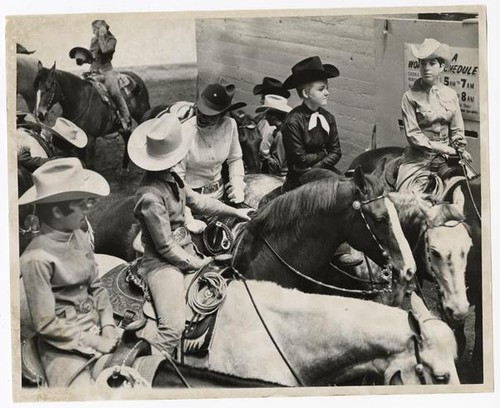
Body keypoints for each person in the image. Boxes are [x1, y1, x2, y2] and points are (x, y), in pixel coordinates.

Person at [128, 113, 253, 357]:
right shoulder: (149, 196)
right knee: (172, 327)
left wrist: (236, 212)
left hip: (186, 249)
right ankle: (147, 370)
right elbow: (165, 247)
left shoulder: (172, 177)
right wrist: (199, 262)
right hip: (162, 266)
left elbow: (199, 202)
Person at [19, 158, 119, 387]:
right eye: (80, 204)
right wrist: (94, 341)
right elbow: (46, 325)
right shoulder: (36, 258)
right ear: (56, 210)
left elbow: (97, 286)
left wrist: (109, 325)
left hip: (98, 329)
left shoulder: (79, 236)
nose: (87, 210)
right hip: (62, 346)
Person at [281, 56, 362, 268]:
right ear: (306, 93)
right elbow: (298, 158)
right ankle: (338, 250)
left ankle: (356, 240)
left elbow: (337, 152)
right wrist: (322, 157)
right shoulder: (292, 121)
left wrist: (317, 162)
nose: (327, 92)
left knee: (352, 189)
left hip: (321, 169)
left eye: (326, 88)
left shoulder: (329, 117)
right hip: (300, 175)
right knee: (330, 196)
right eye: (321, 88)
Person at [396, 38, 473, 194]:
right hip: (419, 158)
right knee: (409, 198)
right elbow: (414, 136)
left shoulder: (451, 95)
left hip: (448, 156)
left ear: (441, 67)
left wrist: (459, 148)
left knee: (474, 188)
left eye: (432, 64)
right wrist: (444, 148)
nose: (426, 68)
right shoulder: (409, 97)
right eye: (422, 63)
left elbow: (457, 129)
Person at [174, 79, 247, 232]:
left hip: (220, 198)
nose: (202, 117)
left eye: (210, 115)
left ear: (222, 114)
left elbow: (235, 159)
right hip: (191, 203)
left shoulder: (230, 125)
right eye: (200, 110)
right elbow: (177, 179)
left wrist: (237, 183)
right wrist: (187, 217)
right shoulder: (184, 132)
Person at [89, 19, 131, 131]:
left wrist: (102, 36)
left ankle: (126, 118)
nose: (93, 31)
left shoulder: (111, 40)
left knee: (115, 92)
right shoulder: (93, 40)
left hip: (107, 71)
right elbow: (92, 57)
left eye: (95, 29)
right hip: (94, 72)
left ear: (102, 28)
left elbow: (104, 50)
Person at [17, 115, 88, 172]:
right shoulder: (80, 163)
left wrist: (24, 140)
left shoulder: (57, 161)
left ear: (53, 140)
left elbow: (24, 160)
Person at [253, 77, 291, 167]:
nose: (261, 100)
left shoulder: (279, 134)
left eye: (263, 97)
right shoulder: (278, 130)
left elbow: (264, 151)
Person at [255, 94, 291, 177]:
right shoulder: (278, 131)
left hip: (281, 177)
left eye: (267, 115)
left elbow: (276, 166)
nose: (266, 118)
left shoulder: (280, 135)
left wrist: (263, 156)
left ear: (273, 118)